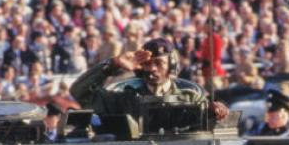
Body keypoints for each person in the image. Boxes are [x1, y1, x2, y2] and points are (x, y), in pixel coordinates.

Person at [69, 37, 229, 120]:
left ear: (171, 66)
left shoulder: (191, 97)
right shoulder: (125, 98)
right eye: (147, 63)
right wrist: (112, 64)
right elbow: (79, 92)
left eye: (159, 63)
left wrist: (216, 110)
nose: (152, 68)